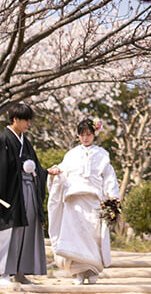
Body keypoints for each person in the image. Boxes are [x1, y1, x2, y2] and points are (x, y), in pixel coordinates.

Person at [0, 103, 59, 289]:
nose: (28, 124)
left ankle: (21, 273)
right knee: (9, 231)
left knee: (28, 228)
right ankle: (4, 273)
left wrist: (46, 171)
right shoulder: (3, 140)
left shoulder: (26, 142)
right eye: (26, 120)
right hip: (10, 193)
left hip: (28, 190)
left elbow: (35, 166)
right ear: (15, 119)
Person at [47, 119, 121, 285]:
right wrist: (55, 174)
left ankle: (92, 270)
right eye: (82, 135)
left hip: (94, 200)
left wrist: (113, 198)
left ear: (94, 135)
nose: (85, 138)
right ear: (78, 136)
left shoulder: (102, 155)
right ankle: (78, 273)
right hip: (74, 201)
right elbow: (62, 174)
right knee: (75, 236)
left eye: (89, 134)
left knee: (93, 235)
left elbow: (109, 178)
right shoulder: (71, 155)